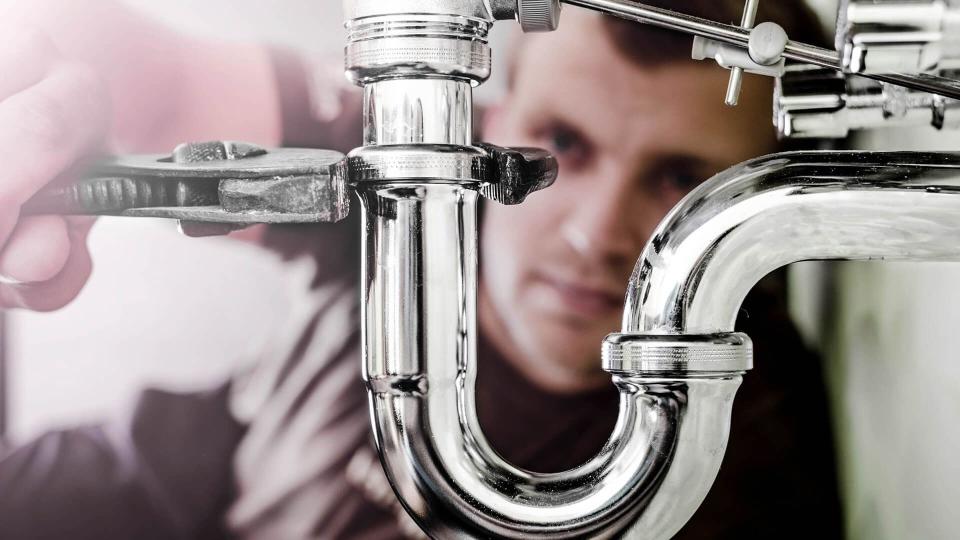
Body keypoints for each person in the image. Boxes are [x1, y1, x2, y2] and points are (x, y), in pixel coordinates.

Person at [0, 0, 843, 538]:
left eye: (679, 179)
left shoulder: (744, 452)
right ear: (497, 116)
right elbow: (138, 74)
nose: (595, 235)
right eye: (563, 143)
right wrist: (40, 95)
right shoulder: (421, 164)